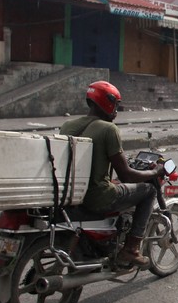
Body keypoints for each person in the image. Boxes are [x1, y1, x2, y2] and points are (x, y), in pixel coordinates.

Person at [60, 81, 165, 266]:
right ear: (107, 102)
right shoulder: (109, 129)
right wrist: (155, 171)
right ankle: (131, 249)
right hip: (97, 198)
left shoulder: (68, 125)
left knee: (116, 183)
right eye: (116, 104)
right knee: (149, 191)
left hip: (72, 196)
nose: (117, 109)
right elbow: (126, 175)